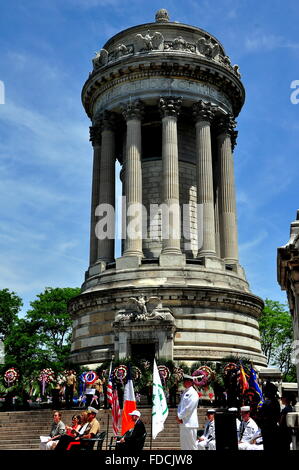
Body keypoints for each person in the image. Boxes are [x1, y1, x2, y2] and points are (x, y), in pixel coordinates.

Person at [176, 375, 199, 450]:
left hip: (190, 423)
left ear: (190, 382)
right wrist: (178, 416)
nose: (183, 383)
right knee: (184, 446)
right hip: (183, 423)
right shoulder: (185, 392)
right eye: (184, 381)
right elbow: (180, 406)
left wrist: (179, 416)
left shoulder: (193, 393)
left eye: (185, 381)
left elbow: (189, 408)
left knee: (191, 446)